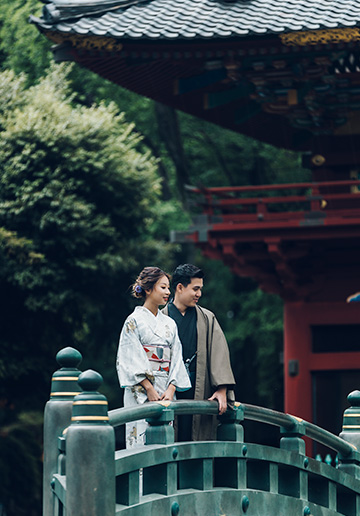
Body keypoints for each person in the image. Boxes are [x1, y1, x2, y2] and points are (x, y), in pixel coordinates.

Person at [116, 266, 191, 448]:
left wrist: (172, 389)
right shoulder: (133, 321)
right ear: (148, 289)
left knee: (164, 444)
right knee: (139, 444)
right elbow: (129, 358)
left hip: (165, 390)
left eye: (168, 287)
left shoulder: (170, 324)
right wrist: (149, 388)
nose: (168, 292)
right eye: (163, 287)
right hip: (141, 391)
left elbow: (177, 357)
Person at [162, 263, 235, 441]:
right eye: (195, 289)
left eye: (200, 289)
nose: (199, 294)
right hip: (168, 387)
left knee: (197, 437)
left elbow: (219, 354)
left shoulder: (207, 318)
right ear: (180, 287)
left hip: (199, 387)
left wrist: (222, 389)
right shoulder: (160, 317)